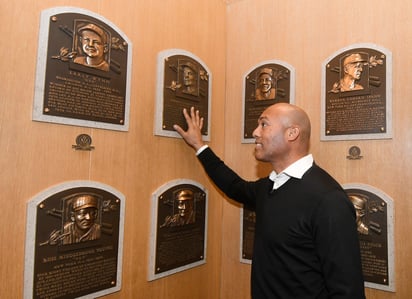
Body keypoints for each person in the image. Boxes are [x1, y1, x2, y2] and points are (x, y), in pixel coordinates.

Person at [173, 103, 365, 298]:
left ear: (292, 133)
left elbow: (348, 292)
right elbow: (234, 186)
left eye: (264, 124)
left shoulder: (328, 200)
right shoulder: (270, 186)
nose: (255, 132)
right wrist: (199, 146)